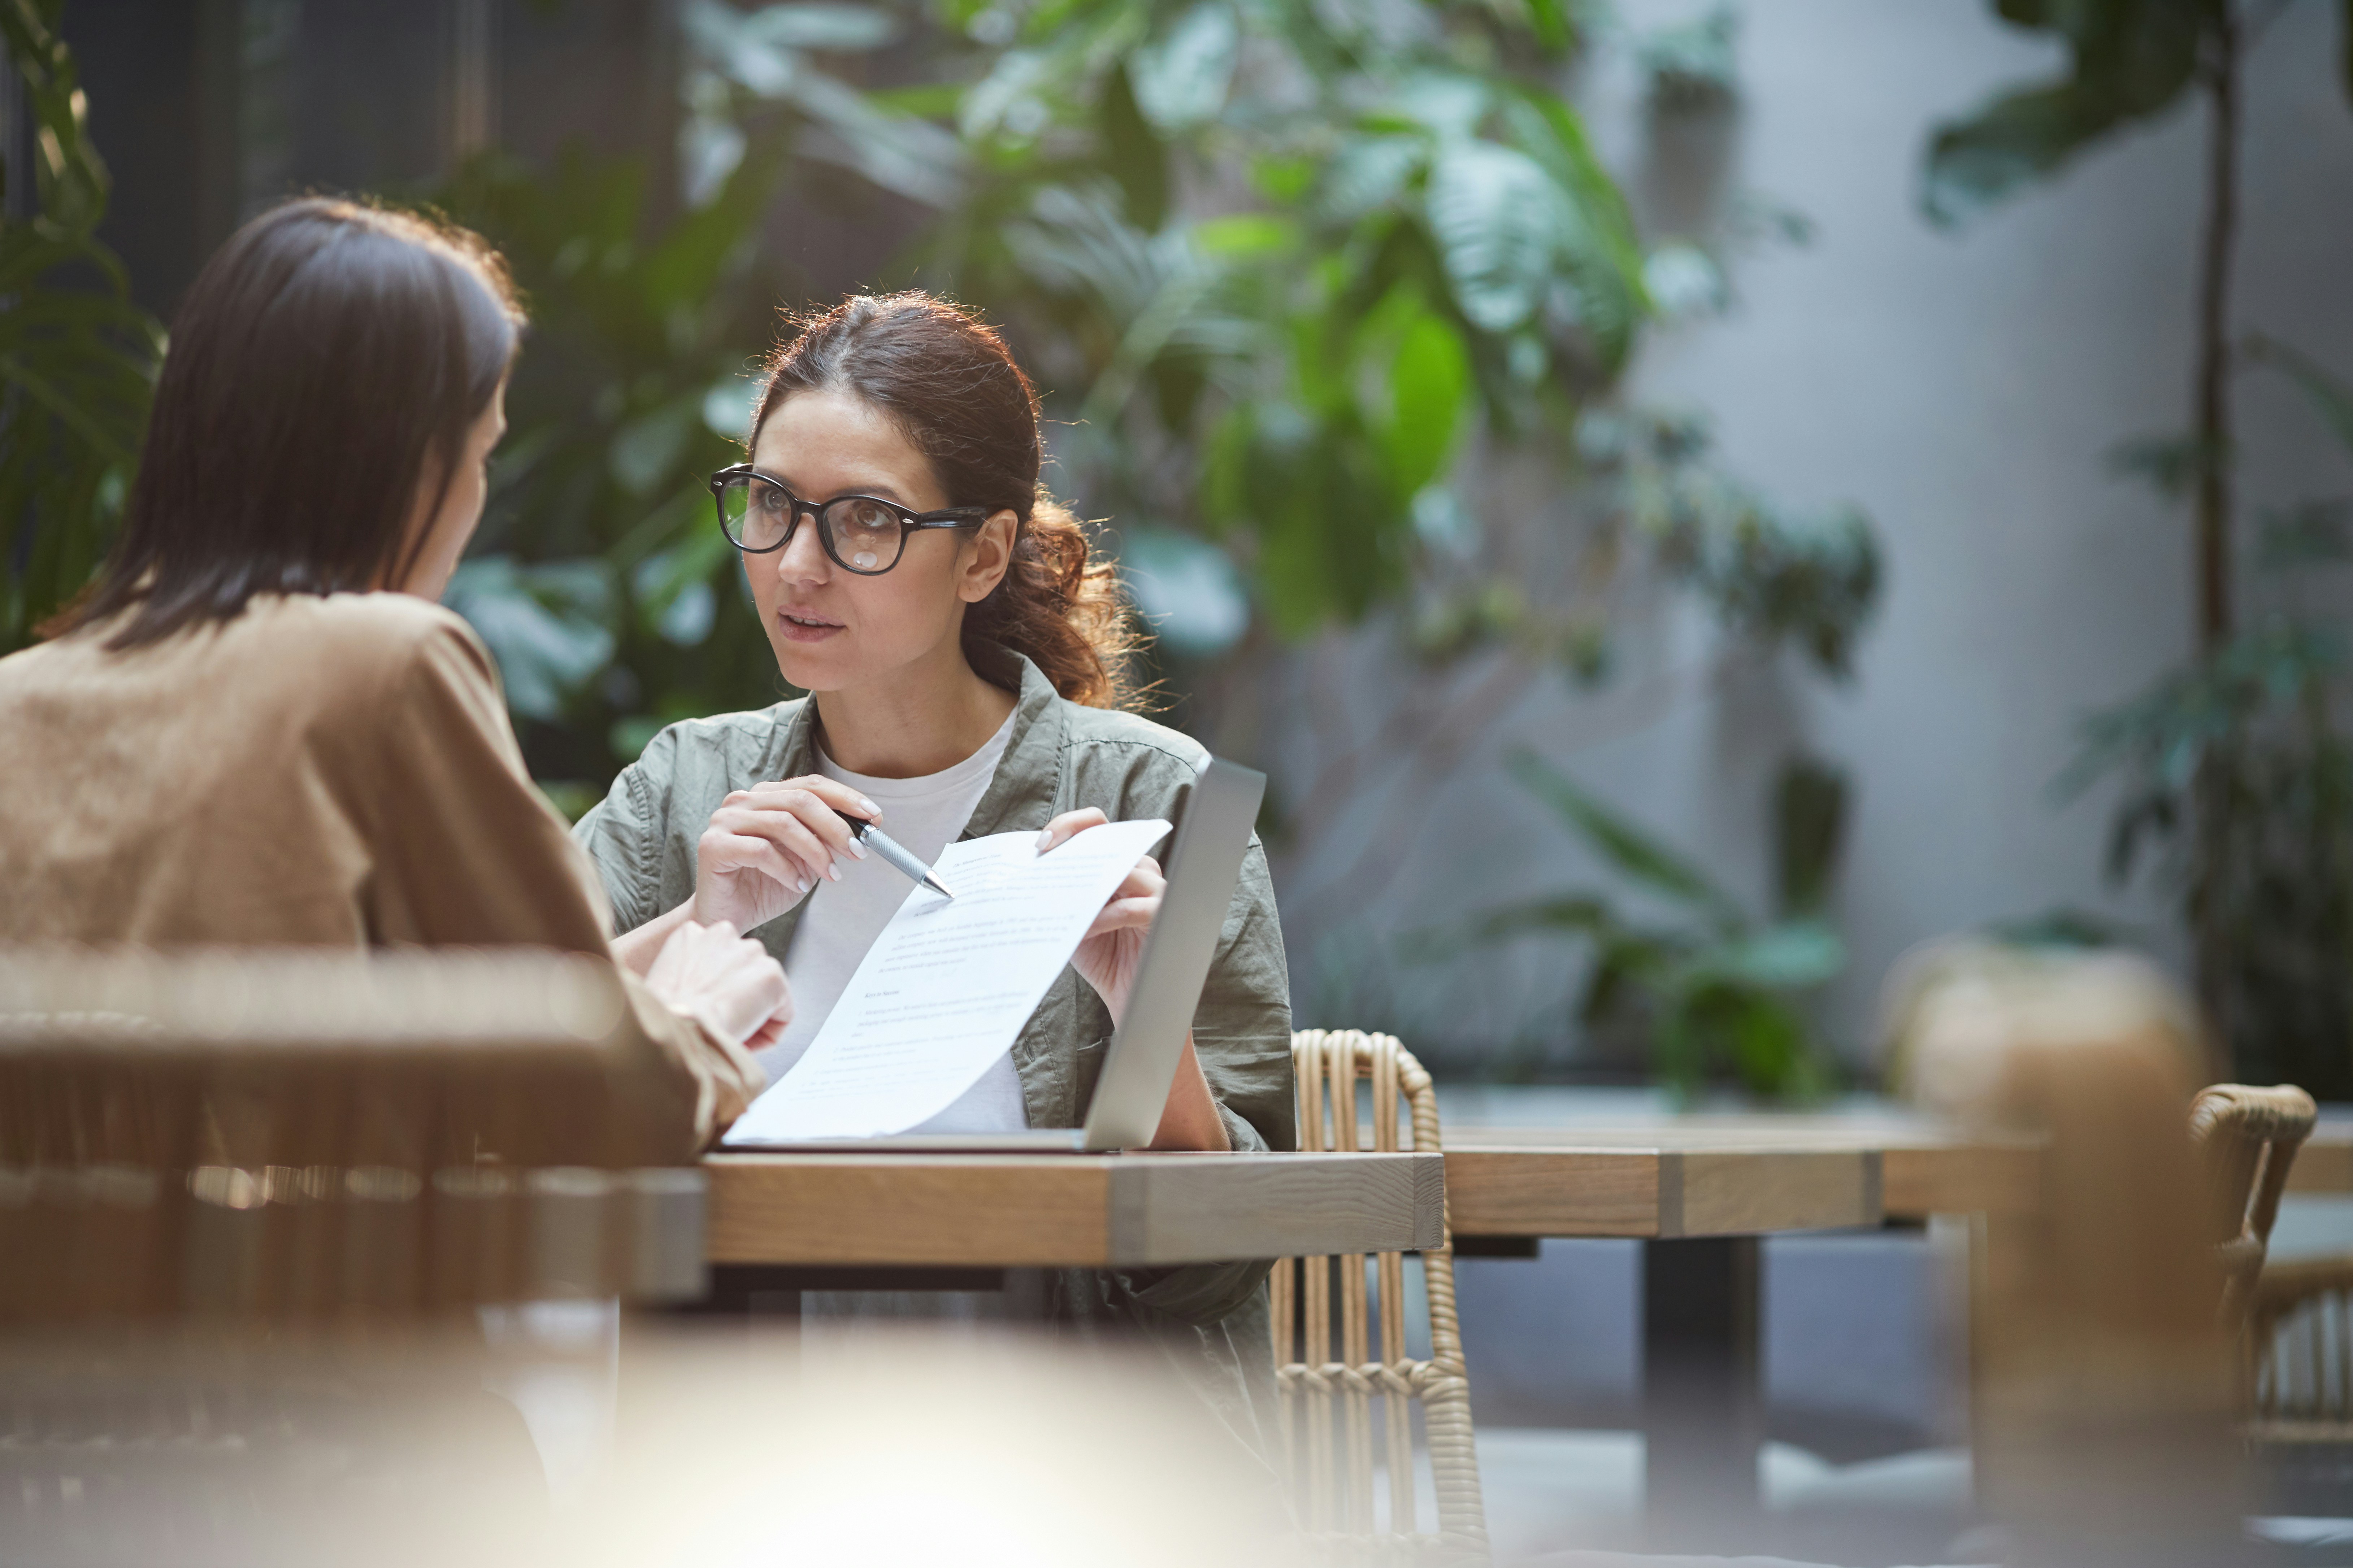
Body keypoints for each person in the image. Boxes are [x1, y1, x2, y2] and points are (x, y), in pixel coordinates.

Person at [571, 291, 1294, 1438]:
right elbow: (489, 1089)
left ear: (984, 554)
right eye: (770, 505)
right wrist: (697, 928)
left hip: (1081, 1480)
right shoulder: (688, 793)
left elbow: (1232, 1266)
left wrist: (1144, 1021)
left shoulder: (1156, 803)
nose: (797, 566)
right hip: (735, 1483)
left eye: (864, 521)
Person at [0, 197, 780, 1159]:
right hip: (310, 1302)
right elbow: (595, 1098)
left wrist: (676, 947)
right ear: (405, 462)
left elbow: (419, 1030)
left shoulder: (18, 700)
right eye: (483, 450)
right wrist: (701, 1021)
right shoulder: (383, 663)